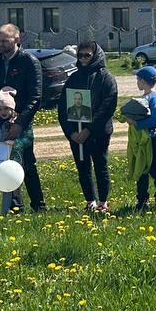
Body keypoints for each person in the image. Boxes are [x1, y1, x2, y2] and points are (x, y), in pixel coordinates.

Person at [0, 23, 44, 213]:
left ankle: (38, 205)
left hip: (21, 119)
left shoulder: (29, 61)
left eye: (4, 41)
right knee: (2, 164)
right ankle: (14, 206)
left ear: (17, 39)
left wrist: (20, 123)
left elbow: (36, 97)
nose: (0, 44)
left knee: (26, 163)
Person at [60, 41, 117, 214]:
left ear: (95, 55)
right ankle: (89, 200)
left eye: (87, 55)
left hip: (98, 132)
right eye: (80, 55)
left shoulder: (105, 77)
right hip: (77, 133)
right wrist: (71, 133)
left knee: (100, 165)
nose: (83, 59)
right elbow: (63, 108)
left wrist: (89, 130)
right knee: (82, 167)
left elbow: (108, 105)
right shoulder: (74, 78)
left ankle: (103, 201)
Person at [0, 89, 33, 217]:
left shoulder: (20, 121)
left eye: (6, 109)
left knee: (7, 187)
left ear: (12, 108)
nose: (2, 112)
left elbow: (28, 138)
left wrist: (16, 143)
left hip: (12, 161)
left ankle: (4, 214)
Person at [126, 65, 156, 210]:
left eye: (138, 79)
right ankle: (142, 200)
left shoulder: (155, 98)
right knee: (141, 168)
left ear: (143, 81)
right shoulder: (144, 97)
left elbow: (154, 120)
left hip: (152, 139)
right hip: (142, 140)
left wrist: (136, 123)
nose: (137, 82)